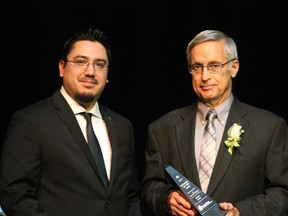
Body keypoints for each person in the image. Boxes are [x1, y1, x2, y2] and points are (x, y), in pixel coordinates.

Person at [140, 29, 288, 216]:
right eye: (197, 67)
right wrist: (167, 198)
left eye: (214, 65)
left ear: (234, 68)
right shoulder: (162, 128)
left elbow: (282, 194)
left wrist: (241, 212)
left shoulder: (269, 127)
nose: (204, 76)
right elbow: (148, 189)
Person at [0, 27, 142, 216]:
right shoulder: (30, 121)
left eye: (100, 64)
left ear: (107, 74)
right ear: (62, 67)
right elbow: (16, 196)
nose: (90, 71)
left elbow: (130, 196)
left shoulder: (122, 126)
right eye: (81, 61)